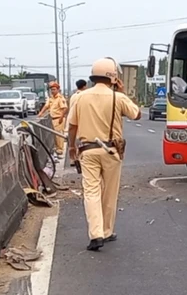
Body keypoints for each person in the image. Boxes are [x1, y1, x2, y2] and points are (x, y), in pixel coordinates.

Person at [67, 58, 141, 251]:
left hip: (87, 150)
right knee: (109, 193)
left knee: (91, 192)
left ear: (93, 77)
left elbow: (72, 127)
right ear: (114, 78)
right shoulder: (118, 97)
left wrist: (71, 148)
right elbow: (136, 114)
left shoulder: (80, 97)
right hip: (111, 151)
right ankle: (107, 231)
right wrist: (122, 92)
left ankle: (96, 233)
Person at [38, 81, 68, 156]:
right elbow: (46, 106)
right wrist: (41, 113)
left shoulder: (60, 98)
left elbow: (65, 108)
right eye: (52, 89)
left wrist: (61, 118)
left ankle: (60, 149)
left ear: (58, 90)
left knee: (59, 135)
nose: (52, 91)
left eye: (54, 89)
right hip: (53, 119)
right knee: (55, 135)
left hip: (58, 118)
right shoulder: (51, 98)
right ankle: (57, 147)